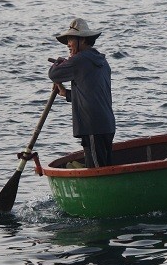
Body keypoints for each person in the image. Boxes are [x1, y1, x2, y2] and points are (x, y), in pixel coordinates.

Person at [48, 18, 116, 168]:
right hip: (107, 125)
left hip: (93, 126)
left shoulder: (79, 60)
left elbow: (54, 74)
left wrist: (60, 61)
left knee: (98, 172)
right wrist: (66, 93)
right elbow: (92, 95)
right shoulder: (101, 61)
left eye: (71, 39)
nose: (68, 44)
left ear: (83, 40)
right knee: (106, 168)